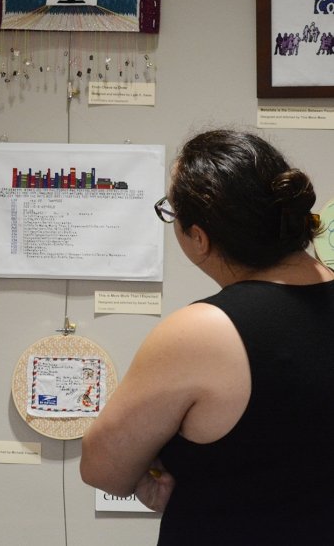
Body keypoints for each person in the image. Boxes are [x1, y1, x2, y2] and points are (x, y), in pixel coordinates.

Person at [80, 129, 333, 544]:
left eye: (170, 212)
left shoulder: (202, 331)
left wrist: (150, 475)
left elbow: (103, 466)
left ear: (199, 238)